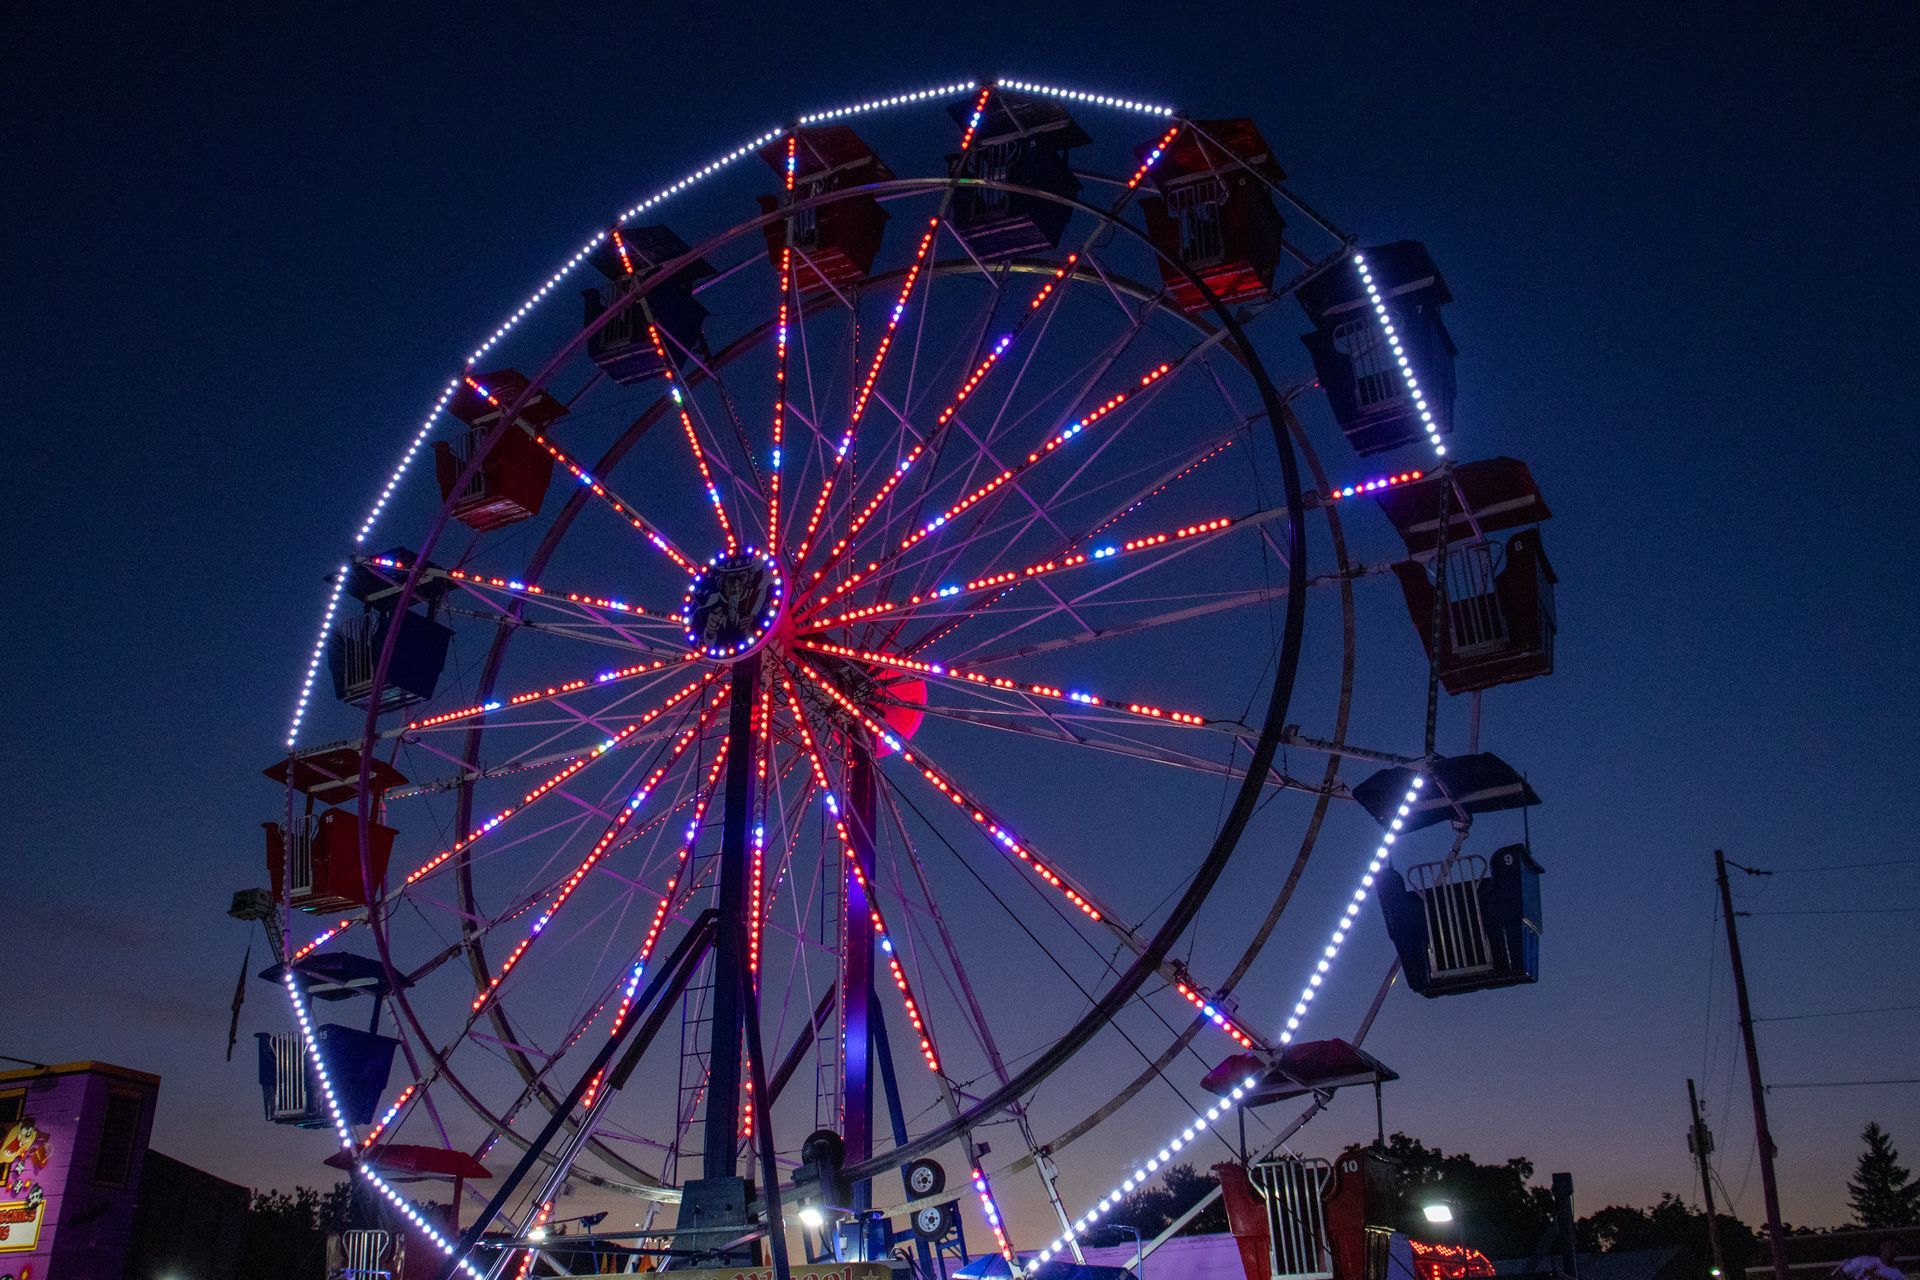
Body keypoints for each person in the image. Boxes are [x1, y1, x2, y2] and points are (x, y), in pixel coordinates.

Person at [1834, 1239, 1906, 1280]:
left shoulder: (1898, 1275)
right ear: (1882, 1247)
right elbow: (1840, 1274)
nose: (1891, 1250)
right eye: (1889, 1246)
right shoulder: (1863, 1261)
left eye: (1895, 1248)